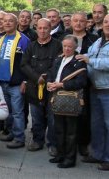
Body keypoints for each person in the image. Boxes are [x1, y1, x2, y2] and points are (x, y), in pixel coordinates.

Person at [21, 18, 62, 155]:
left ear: (50, 28)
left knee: (52, 118)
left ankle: (53, 144)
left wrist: (45, 78)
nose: (42, 31)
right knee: (36, 117)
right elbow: (24, 64)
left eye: (45, 28)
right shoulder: (31, 45)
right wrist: (35, 77)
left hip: (51, 88)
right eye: (40, 28)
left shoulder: (58, 45)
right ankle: (37, 140)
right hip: (34, 88)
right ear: (36, 28)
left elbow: (58, 65)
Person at [47, 35, 87, 168]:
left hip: (71, 99)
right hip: (57, 98)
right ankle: (60, 154)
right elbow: (52, 73)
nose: (67, 48)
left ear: (75, 47)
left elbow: (81, 82)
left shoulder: (79, 61)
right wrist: (49, 83)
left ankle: (70, 159)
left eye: (70, 46)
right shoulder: (59, 59)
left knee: (71, 132)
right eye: (65, 46)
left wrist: (61, 85)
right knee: (58, 129)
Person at [77, 13, 109, 171]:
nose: (108, 24)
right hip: (95, 88)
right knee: (96, 124)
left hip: (107, 90)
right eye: (106, 21)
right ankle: (97, 154)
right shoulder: (98, 40)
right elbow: (87, 55)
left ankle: (108, 158)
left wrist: (90, 61)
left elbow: (104, 62)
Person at [0, 13, 30, 149]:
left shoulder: (23, 39)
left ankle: (19, 138)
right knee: (7, 111)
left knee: (17, 112)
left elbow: (28, 62)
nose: (7, 23)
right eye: (5, 21)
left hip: (16, 84)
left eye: (11, 21)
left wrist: (25, 81)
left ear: (16, 23)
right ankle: (10, 132)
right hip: (2, 82)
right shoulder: (1, 38)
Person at [65, 12, 98, 156]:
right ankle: (66, 144)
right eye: (75, 20)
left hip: (86, 83)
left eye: (82, 21)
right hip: (66, 82)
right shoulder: (63, 38)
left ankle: (83, 144)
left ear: (87, 23)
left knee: (84, 115)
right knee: (65, 113)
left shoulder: (94, 40)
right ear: (71, 22)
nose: (78, 23)